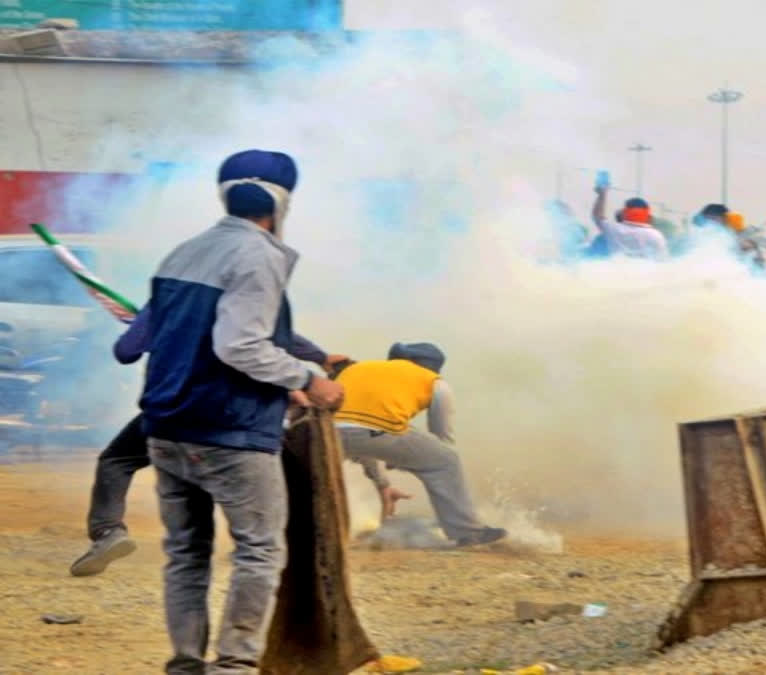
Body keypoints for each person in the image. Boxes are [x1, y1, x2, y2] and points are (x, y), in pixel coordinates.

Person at [140, 149, 345, 674]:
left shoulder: (183, 252)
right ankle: (234, 666)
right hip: (229, 430)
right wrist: (307, 380)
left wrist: (289, 378)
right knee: (259, 551)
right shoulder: (259, 255)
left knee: (186, 553)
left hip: (167, 427)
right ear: (282, 204)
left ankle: (187, 663)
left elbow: (181, 342)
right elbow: (239, 345)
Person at [68, 308, 344, 578]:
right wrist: (318, 359)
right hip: (232, 415)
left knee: (117, 460)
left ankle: (108, 531)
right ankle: (260, 548)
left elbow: (126, 352)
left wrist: (147, 324)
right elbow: (278, 340)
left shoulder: (167, 303)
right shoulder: (244, 306)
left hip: (175, 410)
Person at [332, 342, 507, 547]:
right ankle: (467, 531)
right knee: (445, 460)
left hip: (330, 431)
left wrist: (384, 481)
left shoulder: (357, 368)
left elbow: (356, 436)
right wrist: (414, 458)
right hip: (378, 431)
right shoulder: (434, 381)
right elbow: (441, 433)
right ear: (431, 366)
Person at [590, 186, 668, 260]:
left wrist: (602, 195)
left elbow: (597, 216)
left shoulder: (613, 229)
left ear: (624, 213)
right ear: (648, 216)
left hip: (617, 270)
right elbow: (662, 260)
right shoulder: (656, 235)